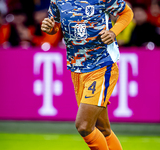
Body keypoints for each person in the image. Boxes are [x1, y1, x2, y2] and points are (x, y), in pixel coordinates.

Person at [41, 0, 133, 149]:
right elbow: (55, 25)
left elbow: (127, 12)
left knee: (83, 125)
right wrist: (50, 28)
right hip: (77, 70)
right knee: (102, 128)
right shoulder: (57, 1)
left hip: (101, 65)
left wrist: (113, 32)